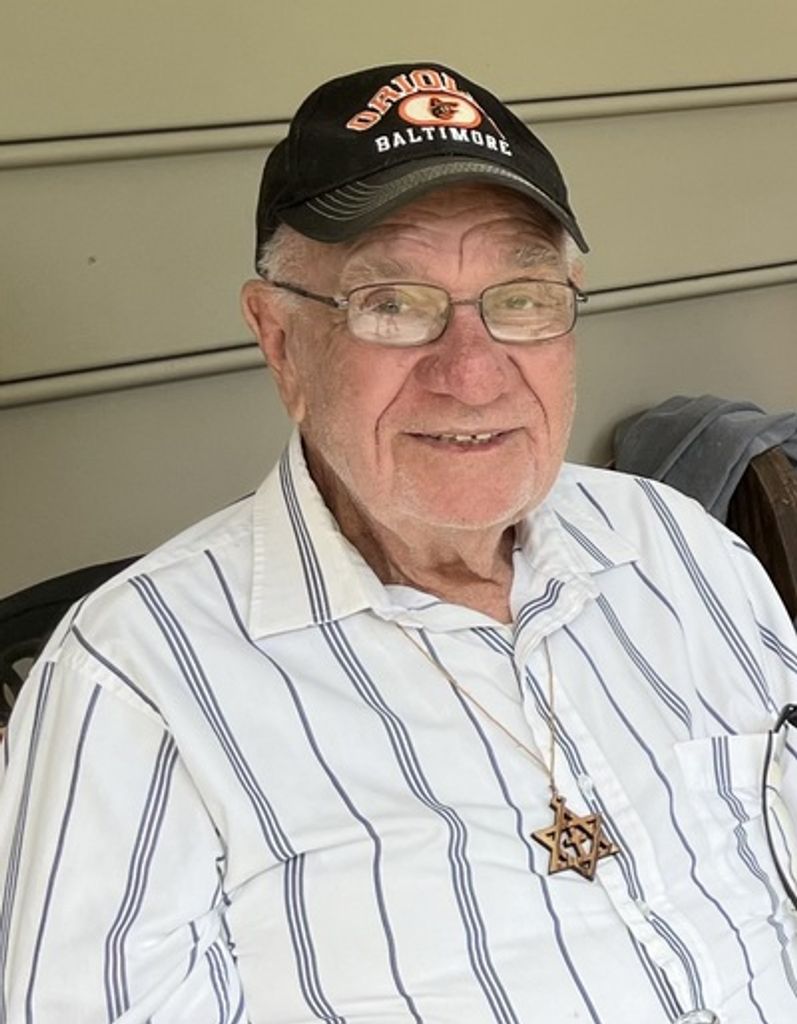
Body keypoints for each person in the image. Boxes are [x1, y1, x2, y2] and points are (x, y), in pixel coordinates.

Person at [1, 61, 796, 1024]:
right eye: (392, 303)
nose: (472, 374)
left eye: (521, 297)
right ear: (279, 339)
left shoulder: (682, 550)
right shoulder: (134, 683)